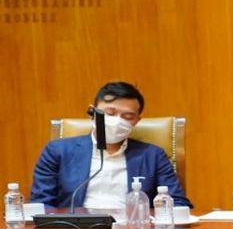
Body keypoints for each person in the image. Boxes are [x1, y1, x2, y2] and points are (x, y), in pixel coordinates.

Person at [31, 81, 191, 209]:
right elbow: (41, 204)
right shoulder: (57, 151)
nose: (117, 121)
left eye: (127, 116)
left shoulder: (153, 155)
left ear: (137, 121)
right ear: (92, 112)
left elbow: (178, 203)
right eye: (110, 113)